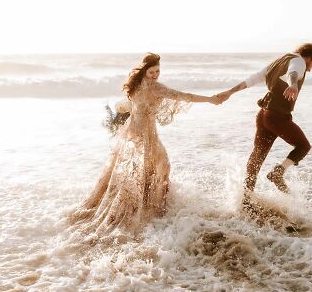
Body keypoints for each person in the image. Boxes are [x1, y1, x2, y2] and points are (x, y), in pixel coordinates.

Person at [67, 53, 223, 237]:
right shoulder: (156, 88)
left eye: (157, 71)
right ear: (144, 70)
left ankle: (144, 204)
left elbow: (128, 106)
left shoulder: (135, 84)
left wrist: (119, 112)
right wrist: (210, 99)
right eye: (151, 72)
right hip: (145, 136)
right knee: (158, 166)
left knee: (137, 170)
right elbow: (184, 96)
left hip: (131, 133)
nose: (155, 75)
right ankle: (154, 209)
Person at [216, 43, 312, 204]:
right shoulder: (299, 61)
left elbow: (252, 79)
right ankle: (278, 172)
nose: (310, 69)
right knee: (303, 146)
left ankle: (246, 197)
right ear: (308, 57)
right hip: (277, 117)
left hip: (263, 114)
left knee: (257, 156)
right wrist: (293, 84)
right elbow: (293, 72)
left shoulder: (279, 60)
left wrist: (230, 92)